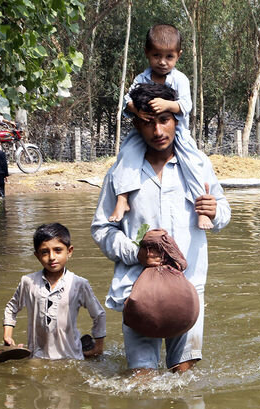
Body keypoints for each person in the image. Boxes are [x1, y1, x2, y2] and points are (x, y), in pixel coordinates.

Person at [91, 83, 231, 373]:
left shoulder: (197, 165)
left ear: (176, 120)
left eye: (164, 120)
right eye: (147, 123)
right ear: (136, 125)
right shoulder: (121, 173)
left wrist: (215, 212)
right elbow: (102, 229)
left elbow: (224, 213)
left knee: (183, 373)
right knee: (141, 375)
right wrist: (135, 253)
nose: (157, 132)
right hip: (139, 289)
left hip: (189, 283)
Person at [109, 24, 213, 230]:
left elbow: (185, 106)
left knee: (193, 164)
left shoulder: (180, 79)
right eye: (157, 55)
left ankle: (201, 211)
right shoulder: (141, 79)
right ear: (147, 53)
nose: (163, 62)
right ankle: (122, 198)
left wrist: (167, 105)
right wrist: (136, 110)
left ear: (178, 55)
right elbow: (126, 102)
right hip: (141, 133)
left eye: (169, 57)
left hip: (179, 134)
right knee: (125, 158)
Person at [2, 223, 106, 360]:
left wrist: (98, 348)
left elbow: (99, 314)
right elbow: (11, 308)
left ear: (69, 251)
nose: (51, 257)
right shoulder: (28, 282)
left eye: (58, 250)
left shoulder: (79, 284)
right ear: (37, 255)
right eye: (44, 252)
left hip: (71, 356)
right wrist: (8, 336)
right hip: (37, 356)